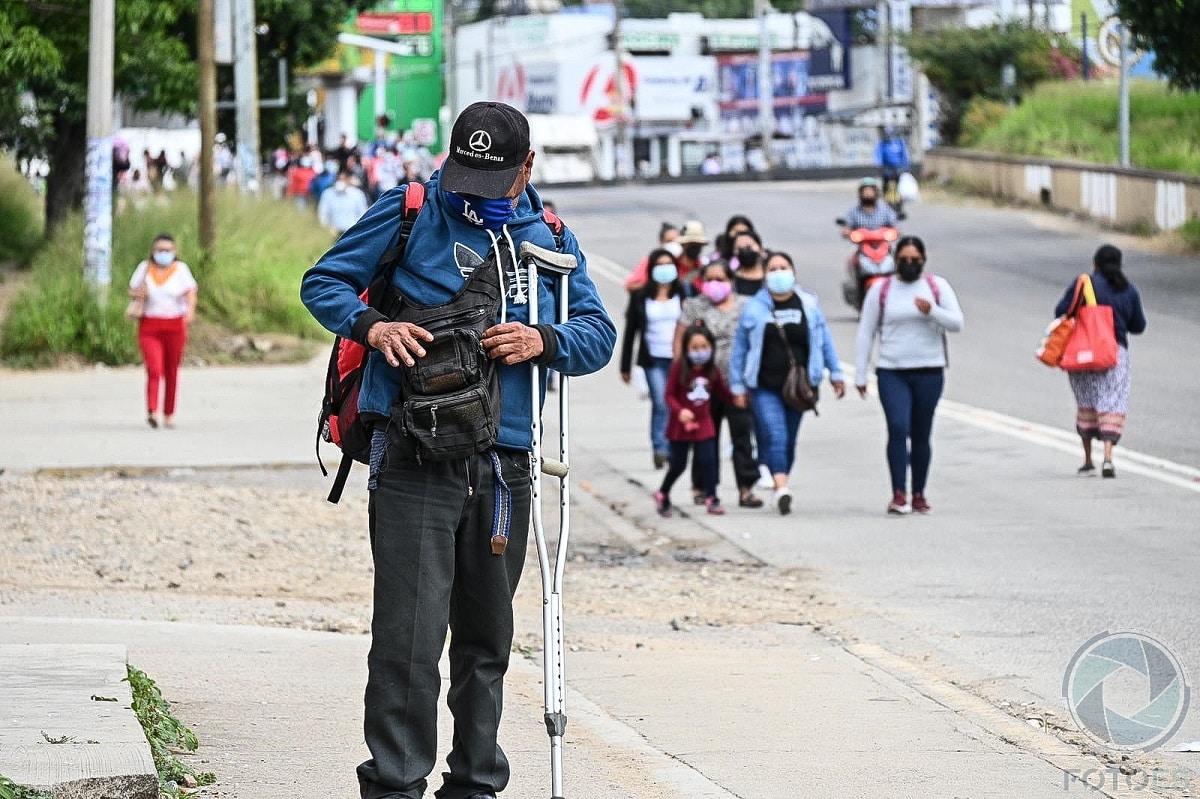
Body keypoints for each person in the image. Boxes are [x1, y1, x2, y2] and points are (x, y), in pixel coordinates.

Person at [300, 101, 615, 799]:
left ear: (526, 167)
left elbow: (599, 332)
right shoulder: (412, 207)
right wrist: (375, 327)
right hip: (414, 457)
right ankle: (395, 785)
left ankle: (475, 783)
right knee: (408, 640)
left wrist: (545, 341)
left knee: (486, 641)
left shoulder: (552, 234)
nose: (469, 188)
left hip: (505, 466)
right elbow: (322, 282)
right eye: (463, 170)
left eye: (489, 175)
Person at [854, 235, 964, 515]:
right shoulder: (881, 289)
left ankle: (919, 493)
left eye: (915, 260)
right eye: (903, 259)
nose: (909, 264)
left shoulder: (936, 287)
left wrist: (933, 311)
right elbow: (866, 332)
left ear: (924, 261)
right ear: (894, 260)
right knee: (898, 427)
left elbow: (957, 323)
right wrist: (860, 373)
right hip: (892, 371)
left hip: (929, 370)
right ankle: (898, 493)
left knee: (921, 433)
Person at [729, 251, 845, 515]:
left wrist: (836, 373)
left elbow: (823, 340)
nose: (779, 273)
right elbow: (740, 349)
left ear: (793, 271)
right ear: (765, 274)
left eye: (784, 267)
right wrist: (737, 385)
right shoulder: (755, 307)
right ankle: (781, 488)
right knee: (775, 434)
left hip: (799, 387)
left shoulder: (808, 304)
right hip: (764, 386)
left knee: (789, 440)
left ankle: (781, 480)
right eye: (773, 268)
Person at [675, 260, 762, 508]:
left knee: (742, 436)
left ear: (731, 281)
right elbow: (680, 342)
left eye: (720, 279)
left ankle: (746, 488)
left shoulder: (745, 306)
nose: (715, 284)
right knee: (704, 437)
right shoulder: (694, 307)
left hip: (736, 384)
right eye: (710, 279)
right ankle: (702, 486)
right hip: (702, 385)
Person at [1054, 244, 1146, 479]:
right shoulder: (1129, 290)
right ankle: (1108, 457)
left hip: (1083, 354)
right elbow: (1139, 326)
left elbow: (1061, 312)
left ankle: (1087, 460)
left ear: (1094, 264)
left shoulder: (1083, 284)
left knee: (1086, 403)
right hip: (1114, 354)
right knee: (1111, 403)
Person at [655, 325, 733, 517]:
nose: (700, 352)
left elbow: (722, 392)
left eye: (704, 347)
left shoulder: (712, 370)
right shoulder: (678, 368)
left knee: (709, 460)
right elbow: (669, 395)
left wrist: (738, 398)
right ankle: (663, 493)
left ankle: (712, 498)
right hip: (680, 426)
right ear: (686, 349)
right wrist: (679, 411)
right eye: (695, 348)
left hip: (704, 422)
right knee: (679, 464)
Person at [620, 247, 686, 470]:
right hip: (653, 360)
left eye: (669, 264)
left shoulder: (684, 293)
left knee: (678, 404)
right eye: (660, 265)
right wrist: (625, 366)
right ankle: (660, 447)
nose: (665, 269)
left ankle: (676, 446)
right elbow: (631, 333)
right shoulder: (640, 296)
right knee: (661, 402)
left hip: (680, 360)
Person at [128, 234, 197, 430]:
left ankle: (169, 413)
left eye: (167, 250)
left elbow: (191, 292)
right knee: (154, 369)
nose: (163, 254)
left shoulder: (181, 270)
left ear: (174, 252)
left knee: (171, 371)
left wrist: (190, 312)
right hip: (150, 326)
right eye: (159, 250)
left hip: (175, 326)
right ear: (153, 251)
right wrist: (139, 293)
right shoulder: (144, 268)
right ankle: (152, 410)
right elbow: (132, 289)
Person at [623, 222, 680, 292]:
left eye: (677, 241)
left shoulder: (684, 261)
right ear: (662, 242)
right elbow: (630, 285)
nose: (674, 244)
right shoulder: (650, 261)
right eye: (669, 241)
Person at [317, 170, 370, 238]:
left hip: (351, 233)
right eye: (339, 179)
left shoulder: (357, 194)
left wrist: (358, 230)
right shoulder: (328, 194)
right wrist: (325, 229)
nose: (341, 182)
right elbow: (323, 213)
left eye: (344, 179)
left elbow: (363, 213)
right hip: (333, 233)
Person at [875, 127, 910, 220]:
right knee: (887, 188)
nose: (888, 135)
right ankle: (888, 207)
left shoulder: (899, 142)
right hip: (886, 169)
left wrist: (906, 166)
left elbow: (904, 155)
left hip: (898, 169)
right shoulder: (882, 143)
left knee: (897, 188)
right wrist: (878, 164)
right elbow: (878, 154)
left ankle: (899, 208)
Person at [729, 229, 767, 297]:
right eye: (740, 249)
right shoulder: (730, 278)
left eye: (749, 247)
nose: (745, 251)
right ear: (734, 252)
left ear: (760, 248)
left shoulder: (770, 276)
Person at [675, 220, 709, 290]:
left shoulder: (705, 270)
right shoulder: (672, 267)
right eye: (692, 243)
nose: (696, 247)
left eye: (698, 244)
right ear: (683, 244)